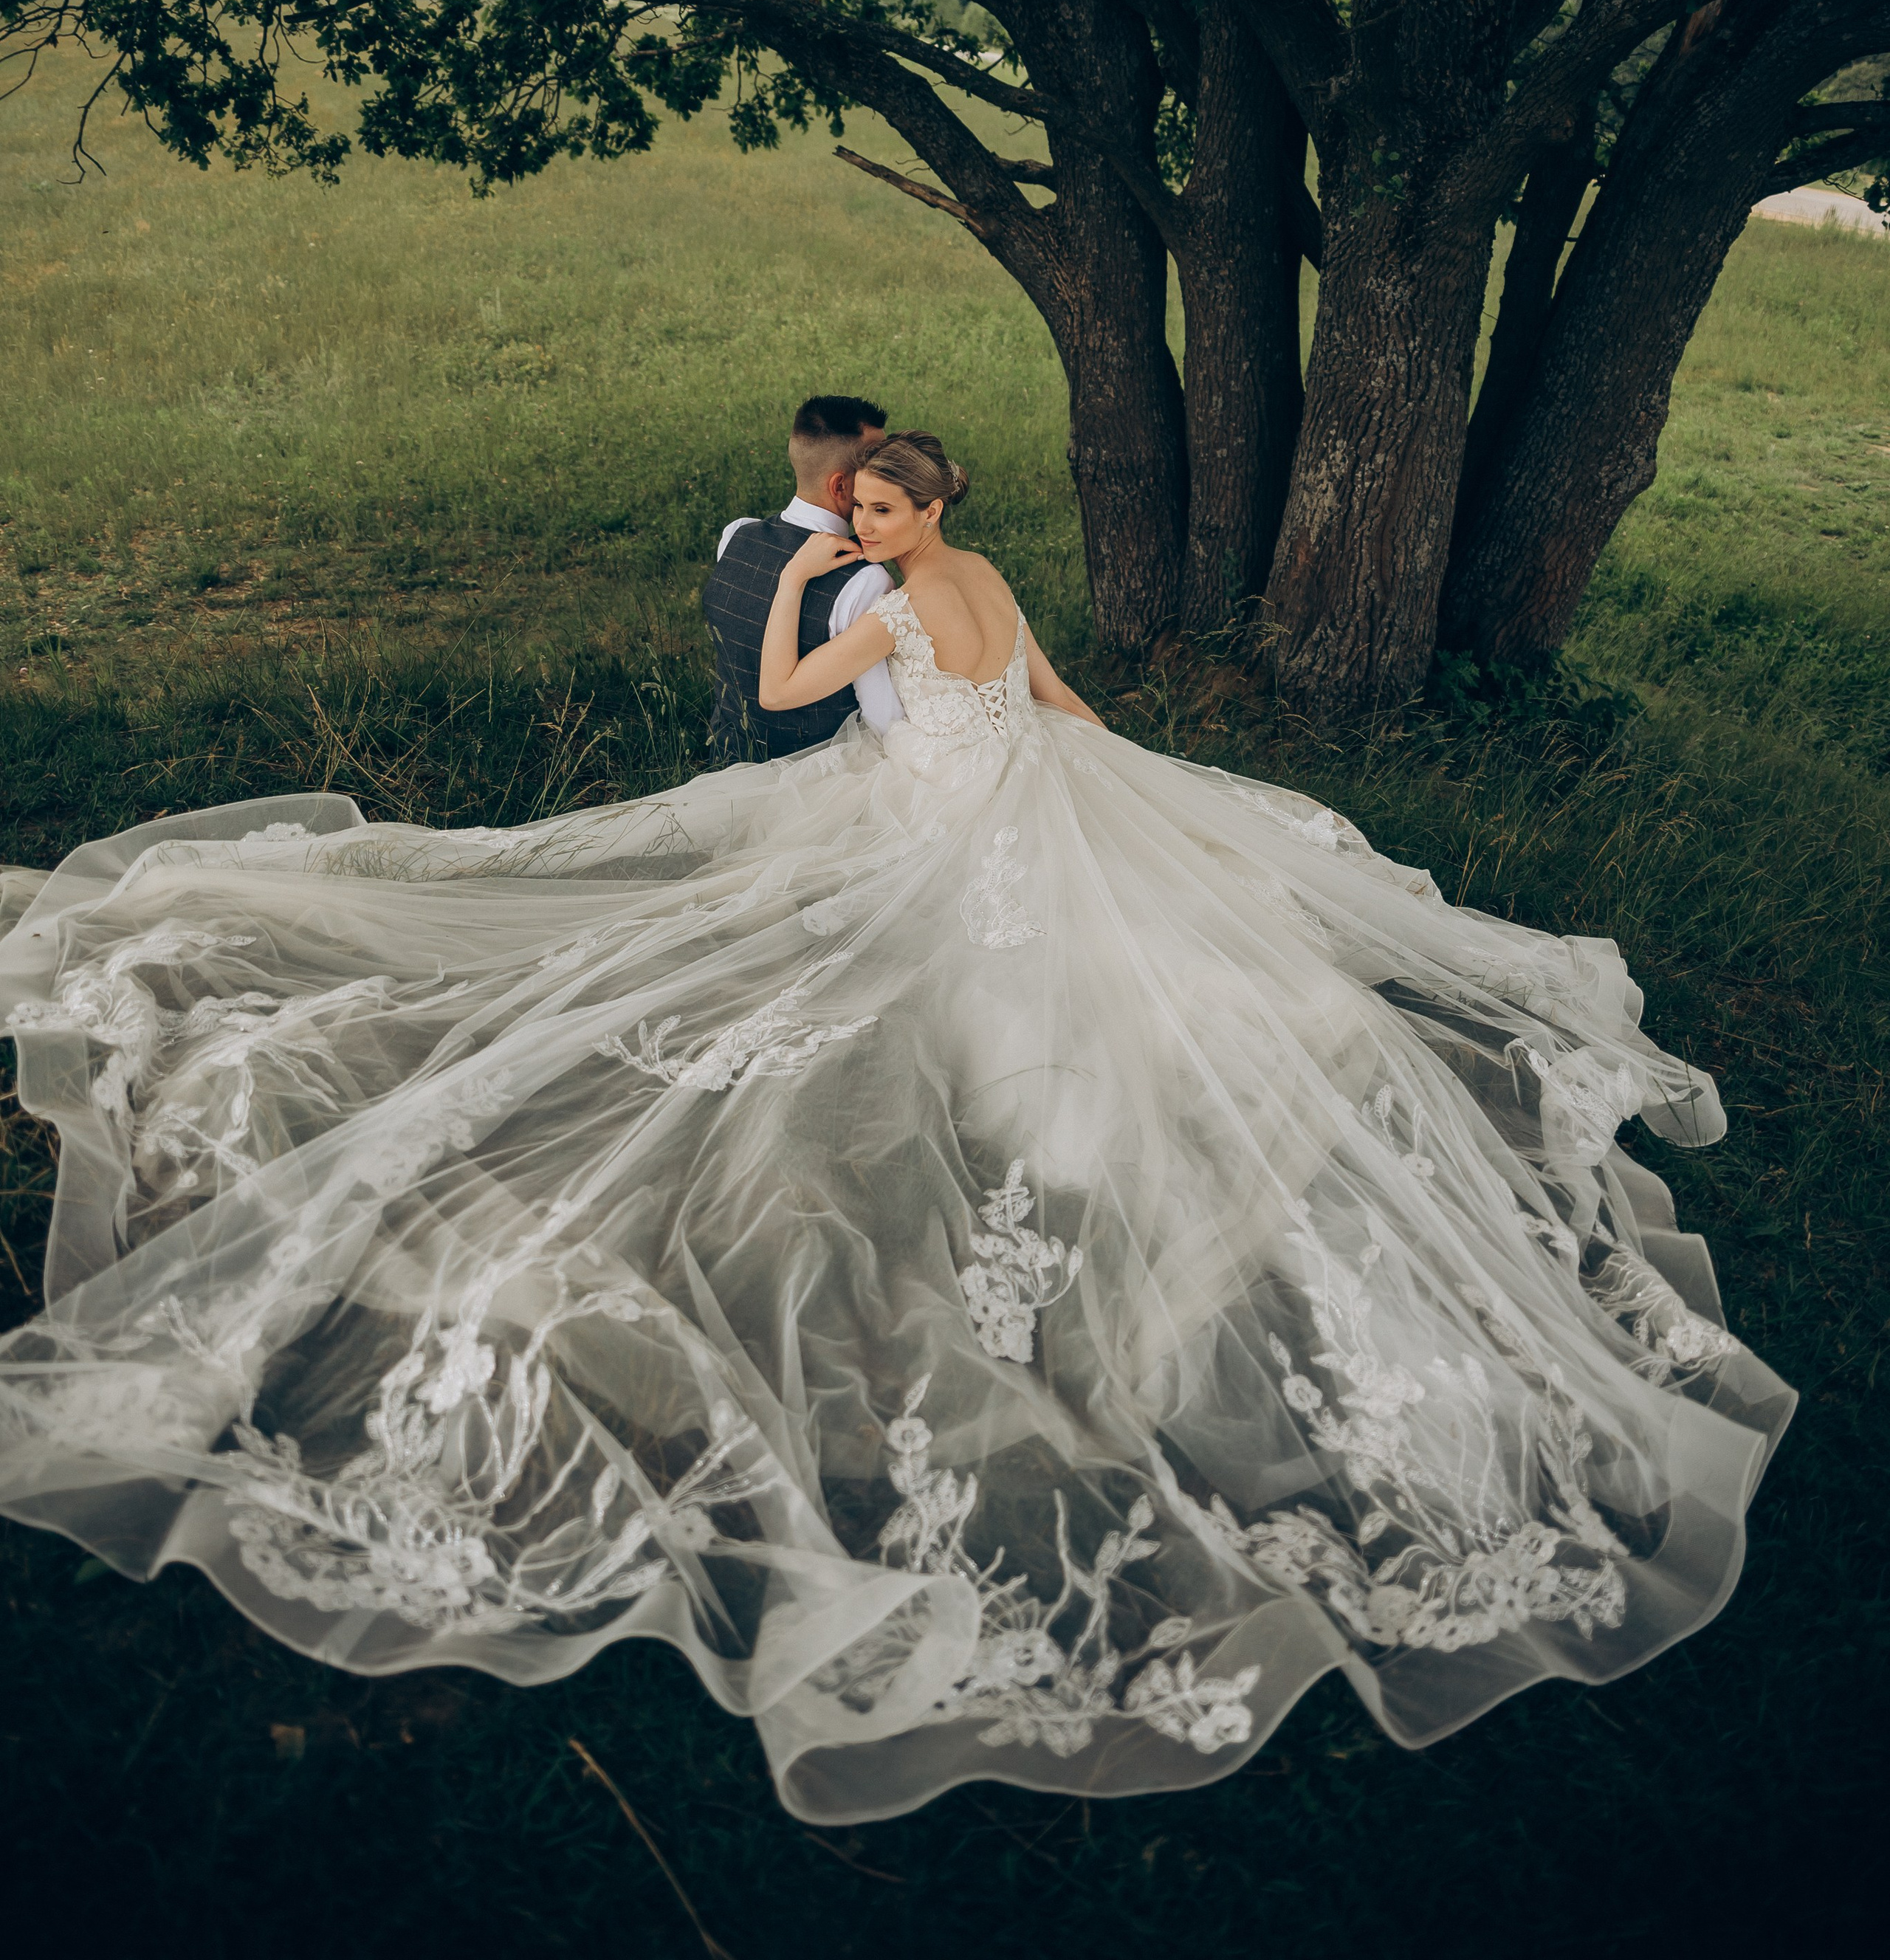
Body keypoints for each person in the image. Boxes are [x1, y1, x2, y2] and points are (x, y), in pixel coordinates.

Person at [0, 431, 1790, 1829]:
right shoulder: (990, 575)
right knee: (1104, 1019)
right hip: (1018, 803)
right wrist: (1148, 784)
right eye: (848, 502)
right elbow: (1048, 704)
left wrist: (799, 589)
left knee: (807, 1012)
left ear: (920, 506)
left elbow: (788, 699)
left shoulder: (860, 593)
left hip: (935, 840)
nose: (854, 516)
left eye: (874, 501)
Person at [701, 394, 900, 762]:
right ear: (841, 487)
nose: (889, 467)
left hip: (726, 759)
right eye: (877, 460)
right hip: (812, 778)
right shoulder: (865, 581)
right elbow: (883, 717)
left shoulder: (736, 536)